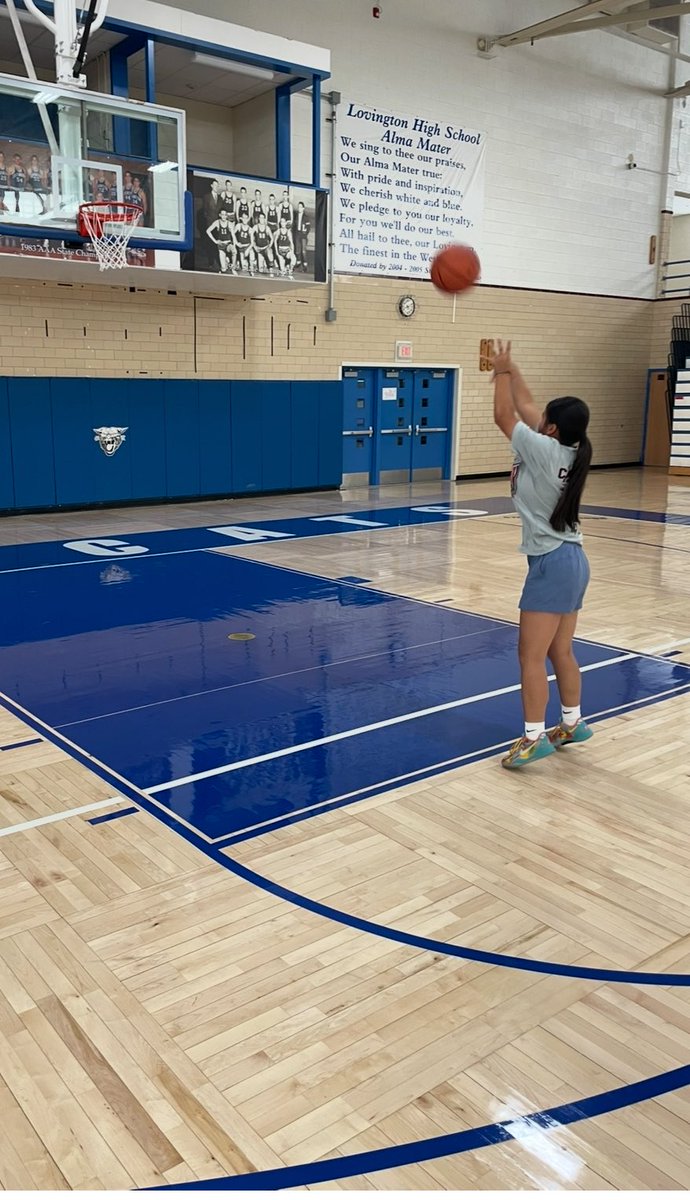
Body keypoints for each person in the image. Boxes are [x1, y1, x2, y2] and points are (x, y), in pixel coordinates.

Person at [492, 339, 593, 769]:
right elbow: (529, 404)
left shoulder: (543, 449)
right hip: (573, 559)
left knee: (530, 656)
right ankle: (571, 723)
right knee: (561, 651)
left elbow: (505, 415)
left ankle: (533, 738)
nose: (539, 419)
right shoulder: (568, 448)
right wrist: (512, 370)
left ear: (550, 429)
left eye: (545, 419)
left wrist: (498, 373)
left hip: (553, 563)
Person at [292, 200, 310, 271]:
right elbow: (294, 225)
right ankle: (298, 262)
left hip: (303, 235)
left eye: (300, 207)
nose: (299, 208)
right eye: (298, 207)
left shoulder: (306, 217)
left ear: (303, 208)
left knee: (303, 251)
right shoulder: (296, 216)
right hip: (297, 234)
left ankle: (305, 265)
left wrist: (305, 233)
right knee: (297, 249)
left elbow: (308, 227)